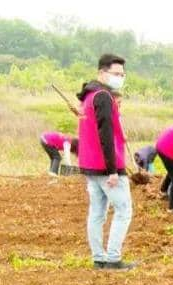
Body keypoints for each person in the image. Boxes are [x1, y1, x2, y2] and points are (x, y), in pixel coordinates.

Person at [76, 53, 136, 271]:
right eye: (115, 73)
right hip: (106, 166)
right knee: (124, 210)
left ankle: (99, 258)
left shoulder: (88, 96)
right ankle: (113, 259)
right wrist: (113, 170)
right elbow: (105, 133)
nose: (120, 77)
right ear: (102, 72)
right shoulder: (102, 96)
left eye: (122, 74)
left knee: (97, 212)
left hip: (91, 165)